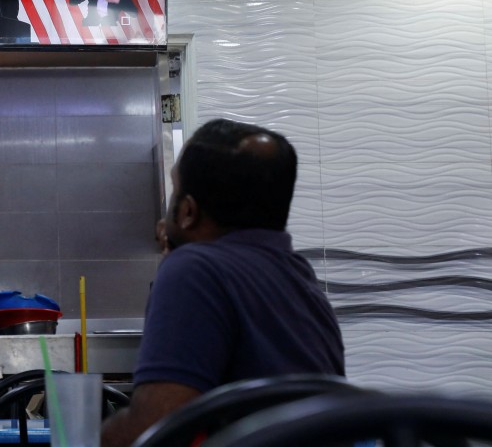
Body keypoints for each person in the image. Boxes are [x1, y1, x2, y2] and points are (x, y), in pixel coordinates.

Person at [101, 118, 345, 447]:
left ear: (188, 211)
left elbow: (157, 431)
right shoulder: (300, 277)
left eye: (175, 190)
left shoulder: (191, 270)